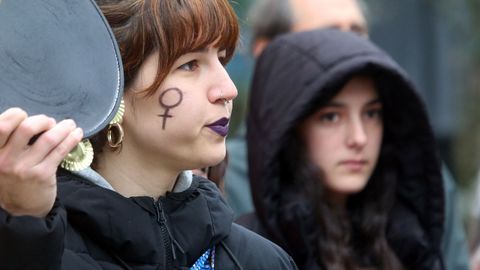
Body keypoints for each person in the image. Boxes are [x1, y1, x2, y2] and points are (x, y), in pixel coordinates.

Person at [0, 0, 298, 269]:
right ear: (111, 89)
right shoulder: (33, 250)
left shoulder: (261, 260)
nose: (227, 90)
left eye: (222, 59)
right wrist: (25, 227)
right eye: (190, 65)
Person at [225, 0, 470, 269]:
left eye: (357, 31)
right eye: (331, 116)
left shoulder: (419, 193)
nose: (359, 138)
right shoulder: (221, 178)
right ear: (269, 53)